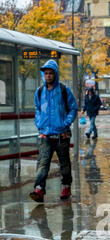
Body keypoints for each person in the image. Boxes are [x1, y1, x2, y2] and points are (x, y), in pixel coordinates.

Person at [29, 59, 78, 203]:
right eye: (46, 73)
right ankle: (39, 189)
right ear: (43, 75)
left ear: (55, 74)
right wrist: (39, 124)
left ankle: (66, 186)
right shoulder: (39, 92)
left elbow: (73, 108)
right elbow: (37, 109)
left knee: (64, 163)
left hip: (62, 134)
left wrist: (66, 123)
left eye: (51, 73)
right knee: (42, 163)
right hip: (45, 135)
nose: (48, 76)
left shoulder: (64, 90)